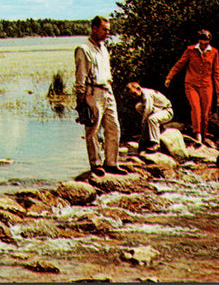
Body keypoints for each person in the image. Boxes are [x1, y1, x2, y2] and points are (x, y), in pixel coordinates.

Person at [74, 15, 124, 177]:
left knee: (113, 127)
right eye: (104, 29)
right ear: (94, 29)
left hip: (107, 90)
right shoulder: (84, 49)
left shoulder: (103, 48)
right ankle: (95, 164)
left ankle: (111, 163)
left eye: (108, 30)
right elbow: (80, 77)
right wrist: (81, 101)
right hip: (93, 91)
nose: (107, 33)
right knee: (93, 130)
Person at [165, 29, 219, 146]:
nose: (203, 45)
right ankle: (197, 135)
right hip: (191, 84)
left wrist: (218, 91)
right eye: (202, 42)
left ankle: (204, 135)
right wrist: (169, 77)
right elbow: (180, 64)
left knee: (206, 112)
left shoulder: (214, 52)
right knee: (196, 108)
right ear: (199, 41)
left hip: (207, 85)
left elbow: (216, 73)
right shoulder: (190, 50)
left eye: (206, 43)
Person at [125, 82, 173, 152]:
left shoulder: (146, 94)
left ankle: (156, 144)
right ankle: (149, 134)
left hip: (167, 111)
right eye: (132, 95)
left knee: (152, 119)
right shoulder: (142, 95)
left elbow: (148, 109)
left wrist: (143, 121)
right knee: (138, 106)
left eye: (134, 94)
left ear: (138, 89)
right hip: (158, 109)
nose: (134, 97)